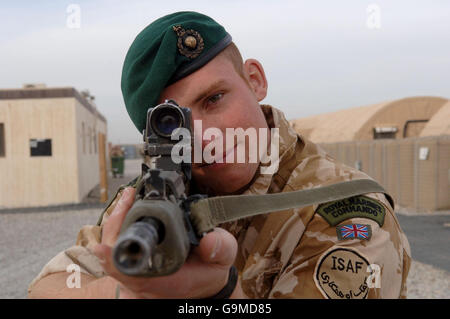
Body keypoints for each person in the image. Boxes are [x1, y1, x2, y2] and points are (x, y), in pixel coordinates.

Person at [28, 11, 411, 299]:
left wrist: (218, 294)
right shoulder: (150, 198)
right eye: (175, 124)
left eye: (214, 99)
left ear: (255, 81)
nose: (205, 136)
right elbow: (47, 286)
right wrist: (124, 291)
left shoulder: (344, 209)